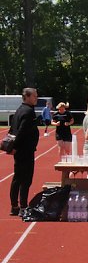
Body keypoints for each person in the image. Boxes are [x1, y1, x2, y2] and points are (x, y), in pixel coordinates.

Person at [9, 88, 40, 216]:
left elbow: (13, 128)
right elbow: (21, 131)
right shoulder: (28, 112)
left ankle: (14, 206)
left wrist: (12, 146)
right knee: (26, 180)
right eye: (34, 96)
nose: (36, 98)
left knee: (17, 177)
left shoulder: (19, 110)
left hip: (20, 150)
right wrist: (15, 146)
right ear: (27, 96)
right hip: (25, 150)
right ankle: (23, 207)